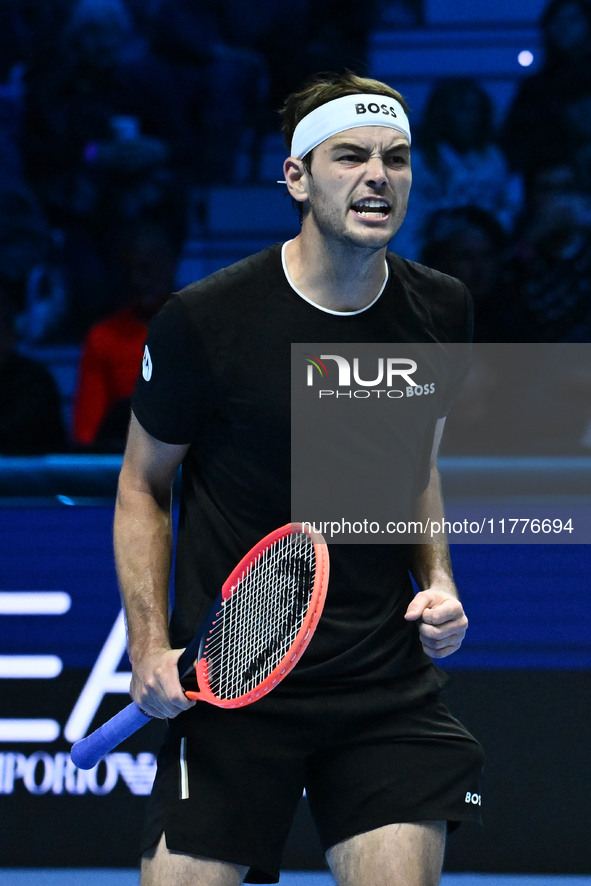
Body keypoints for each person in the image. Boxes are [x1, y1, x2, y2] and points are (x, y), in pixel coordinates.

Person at [115, 71, 484, 885]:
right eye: (349, 156)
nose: (376, 176)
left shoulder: (441, 309)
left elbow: (416, 462)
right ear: (294, 176)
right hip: (233, 687)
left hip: (379, 682)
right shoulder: (204, 322)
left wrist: (438, 578)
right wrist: (147, 645)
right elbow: (142, 486)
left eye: (395, 157)